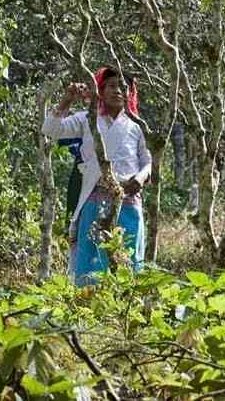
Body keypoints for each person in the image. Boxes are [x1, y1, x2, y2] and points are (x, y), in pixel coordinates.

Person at [42, 67, 150, 286]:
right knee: (91, 261)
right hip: (95, 199)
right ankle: (87, 310)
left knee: (127, 260)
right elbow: (50, 129)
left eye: (123, 87)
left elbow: (147, 161)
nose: (117, 91)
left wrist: (139, 179)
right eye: (111, 85)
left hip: (128, 202)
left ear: (130, 93)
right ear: (100, 90)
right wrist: (67, 100)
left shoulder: (137, 126)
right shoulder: (87, 119)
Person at [57, 137, 82, 273]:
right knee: (74, 226)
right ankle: (73, 273)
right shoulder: (86, 121)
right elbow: (61, 137)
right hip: (79, 178)